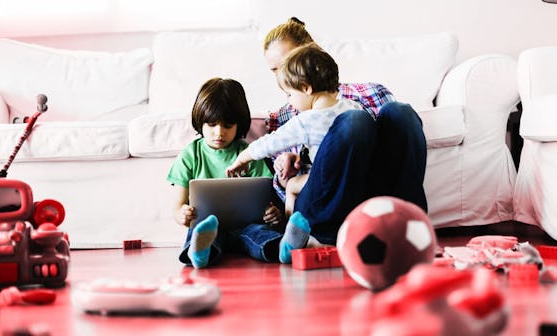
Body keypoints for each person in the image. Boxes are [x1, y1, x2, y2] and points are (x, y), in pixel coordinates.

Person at [256, 17, 428, 253]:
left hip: (372, 190)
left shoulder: (371, 93)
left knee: (400, 113)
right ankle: (325, 238)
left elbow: (397, 149)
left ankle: (410, 226)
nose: (280, 75)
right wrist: (287, 170)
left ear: (314, 53)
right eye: (274, 70)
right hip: (322, 207)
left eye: (287, 62)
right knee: (353, 121)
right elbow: (283, 190)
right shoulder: (282, 118)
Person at [226, 43, 365, 263]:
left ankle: (291, 233)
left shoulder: (306, 121)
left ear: (306, 88)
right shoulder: (353, 108)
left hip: (323, 182)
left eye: (290, 94)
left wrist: (242, 158)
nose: (290, 101)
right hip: (358, 182)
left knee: (292, 185)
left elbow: (270, 143)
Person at [166, 78, 283, 268]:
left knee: (260, 233)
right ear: (200, 121)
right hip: (207, 227)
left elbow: (265, 199)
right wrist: (182, 214)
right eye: (212, 125)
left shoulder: (248, 154)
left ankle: (282, 247)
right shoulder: (190, 155)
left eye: (227, 126)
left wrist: (272, 213)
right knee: (200, 232)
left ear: (239, 124)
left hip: (246, 227)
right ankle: (200, 253)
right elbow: (178, 206)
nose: (219, 132)